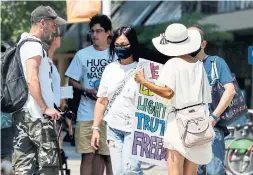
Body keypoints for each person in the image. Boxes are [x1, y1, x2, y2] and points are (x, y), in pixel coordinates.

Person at [134, 23, 213, 175]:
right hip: (199, 123)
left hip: (178, 123)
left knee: (175, 171)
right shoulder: (198, 65)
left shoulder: (173, 64)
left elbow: (168, 92)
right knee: (191, 173)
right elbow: (206, 97)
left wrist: (143, 81)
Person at [11, 5, 67, 175]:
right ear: (43, 22)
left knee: (24, 168)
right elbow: (32, 79)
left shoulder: (23, 43)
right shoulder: (34, 46)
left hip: (23, 115)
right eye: (53, 25)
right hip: (38, 117)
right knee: (49, 168)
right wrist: (45, 108)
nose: (54, 29)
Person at [91, 26, 144, 175]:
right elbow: (102, 101)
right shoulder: (110, 69)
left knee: (131, 171)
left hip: (134, 128)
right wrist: (95, 129)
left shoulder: (143, 69)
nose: (121, 48)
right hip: (113, 128)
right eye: (118, 45)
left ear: (133, 44)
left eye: (125, 45)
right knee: (119, 172)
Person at [65, 14, 113, 175]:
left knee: (106, 156)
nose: (94, 35)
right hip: (86, 113)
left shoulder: (115, 55)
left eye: (99, 31)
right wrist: (86, 89)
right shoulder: (82, 55)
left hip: (110, 114)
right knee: (88, 156)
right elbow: (71, 80)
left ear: (108, 33)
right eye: (92, 31)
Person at [189, 25, 236, 175]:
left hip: (212, 126)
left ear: (203, 44)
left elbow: (230, 90)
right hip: (188, 128)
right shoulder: (182, 66)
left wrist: (214, 117)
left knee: (214, 171)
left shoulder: (216, 63)